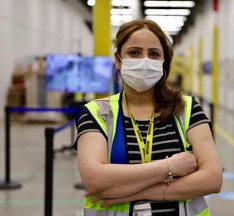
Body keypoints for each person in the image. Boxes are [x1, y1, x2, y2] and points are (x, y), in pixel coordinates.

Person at [74, 19, 222, 216]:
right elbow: (95, 180)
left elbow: (212, 179)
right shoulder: (96, 112)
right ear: (118, 60)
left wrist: (129, 192)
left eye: (154, 54)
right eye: (134, 52)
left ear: (163, 63)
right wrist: (171, 166)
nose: (145, 60)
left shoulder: (187, 109)